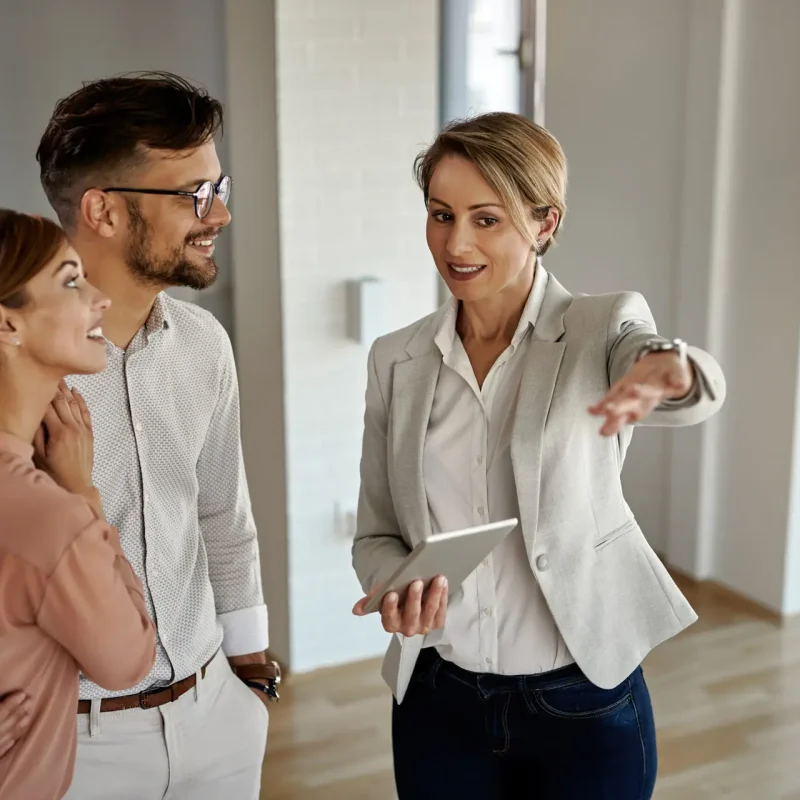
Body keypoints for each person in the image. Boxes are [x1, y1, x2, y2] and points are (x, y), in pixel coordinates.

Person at [351, 112, 726, 799]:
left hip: (583, 703)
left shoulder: (599, 327)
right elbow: (375, 533)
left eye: (486, 219)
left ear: (544, 224)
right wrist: (394, 587)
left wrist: (671, 370)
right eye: (441, 214)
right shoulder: (395, 359)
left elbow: (672, 372)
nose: (456, 243)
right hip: (439, 703)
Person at [34, 72, 275, 799]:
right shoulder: (20, 365)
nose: (220, 213)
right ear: (103, 210)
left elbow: (223, 517)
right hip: (74, 745)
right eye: (193, 193)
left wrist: (250, 673)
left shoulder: (204, 344)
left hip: (217, 714)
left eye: (218, 186)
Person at [0, 209, 156, 799]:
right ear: (7, 323)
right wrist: (83, 495)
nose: (100, 298)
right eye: (71, 282)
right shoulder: (51, 516)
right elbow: (128, 660)